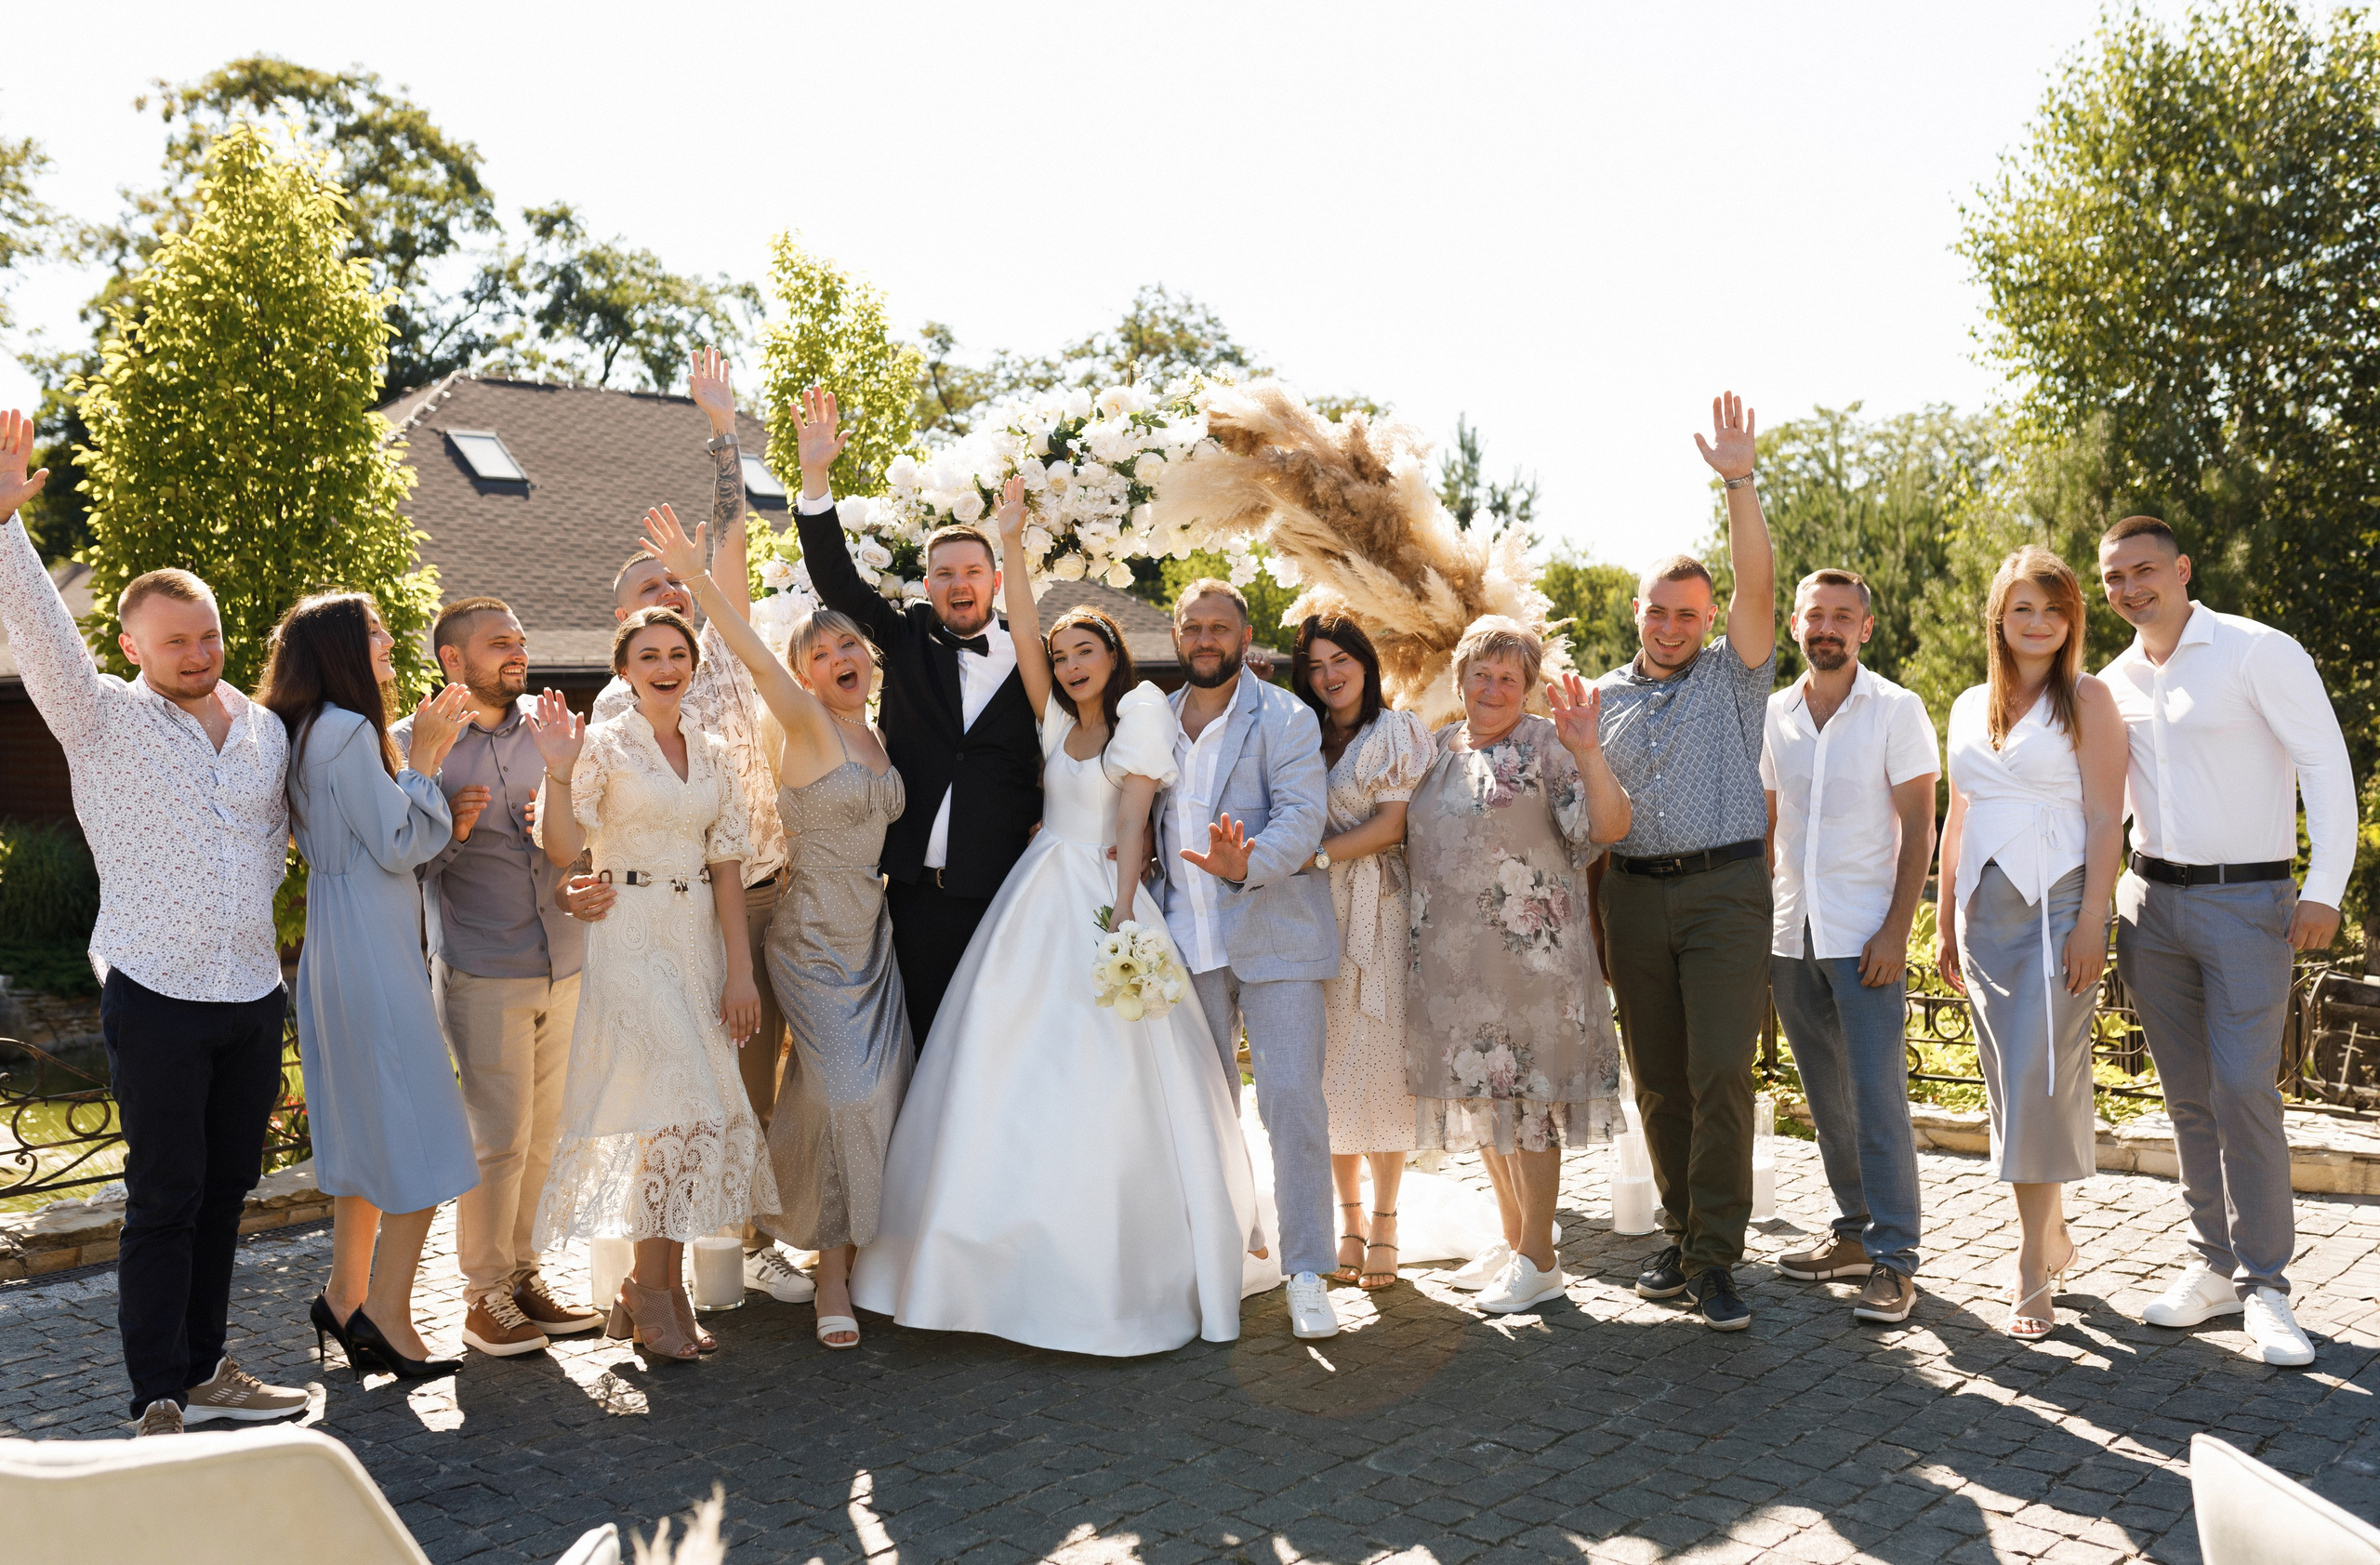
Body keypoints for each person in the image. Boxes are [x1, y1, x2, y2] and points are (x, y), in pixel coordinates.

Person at [849, 485, 1266, 1355]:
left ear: (1114, 656)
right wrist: (1010, 542)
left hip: (1105, 896)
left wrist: (1123, 919)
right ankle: (974, 1259)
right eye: (1062, 654)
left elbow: (1132, 822)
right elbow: (1025, 628)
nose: (1071, 665)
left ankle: (1111, 1266)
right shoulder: (1049, 720)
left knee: (1110, 1076)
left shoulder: (1139, 717)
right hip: (1033, 897)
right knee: (996, 1065)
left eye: (1087, 651)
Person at [0, 411, 306, 1434]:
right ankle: (158, 1394)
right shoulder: (99, 719)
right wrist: (5, 525)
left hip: (252, 996)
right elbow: (43, 635)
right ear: (133, 646)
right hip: (156, 993)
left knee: (227, 1193)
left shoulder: (264, 730)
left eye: (208, 634)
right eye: (176, 641)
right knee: (165, 1195)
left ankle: (208, 1367)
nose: (198, 652)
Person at [639, 503, 911, 1352]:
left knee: (876, 1095)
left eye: (848, 645)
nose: (839, 658)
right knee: (843, 1093)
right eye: (819, 653)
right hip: (811, 940)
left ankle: (846, 1252)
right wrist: (697, 580)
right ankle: (824, 1269)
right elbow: (753, 657)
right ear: (804, 675)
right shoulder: (806, 722)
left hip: (874, 938)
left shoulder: (880, 733)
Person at [2098, 515, 2353, 1366]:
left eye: (2143, 570)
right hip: (2149, 906)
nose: (2129, 588)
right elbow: (2107, 804)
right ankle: (2211, 1265)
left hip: (2250, 901)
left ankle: (2267, 1285)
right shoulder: (2114, 681)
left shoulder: (2257, 651)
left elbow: (2326, 766)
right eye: (2113, 577)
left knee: (2244, 1088)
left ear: (2182, 569)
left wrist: (2323, 887)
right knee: (2188, 1097)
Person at [588, 350, 803, 1299]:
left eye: (676, 585)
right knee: (708, 1086)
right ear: (621, 624)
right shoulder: (614, 708)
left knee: (774, 1074)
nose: (670, 594)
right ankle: (723, 1249)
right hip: (686, 912)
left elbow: (731, 538)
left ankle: (751, 1231)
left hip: (772, 887)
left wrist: (724, 432)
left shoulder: (720, 652)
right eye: (650, 589)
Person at [526, 608, 779, 1363]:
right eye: (649, 655)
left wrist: (740, 969)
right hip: (629, 935)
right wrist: (559, 768)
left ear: (693, 665)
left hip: (697, 938)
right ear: (624, 669)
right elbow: (562, 847)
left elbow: (728, 865)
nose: (666, 666)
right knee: (678, 1115)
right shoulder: (601, 745)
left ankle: (654, 1291)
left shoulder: (714, 751)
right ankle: (653, 1291)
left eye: (677, 653)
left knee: (686, 1121)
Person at [258, 593, 480, 1381]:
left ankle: (344, 1297)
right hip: (373, 950)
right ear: (343, 649)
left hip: (335, 940)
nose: (389, 641)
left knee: (365, 1136)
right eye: (374, 631)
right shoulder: (348, 730)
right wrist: (426, 763)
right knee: (425, 1136)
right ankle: (386, 1313)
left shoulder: (310, 729)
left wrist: (416, 750)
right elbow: (398, 839)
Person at [1593, 391, 1778, 1332]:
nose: (1671, 627)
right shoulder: (1596, 699)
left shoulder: (1733, 678)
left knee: (1720, 1075)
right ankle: (1680, 1230)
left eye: (1688, 615)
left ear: (1708, 620)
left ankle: (1715, 1259)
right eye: (1658, 611)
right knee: (1658, 1078)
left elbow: (1758, 586)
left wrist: (1738, 483)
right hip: (1631, 897)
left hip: (1723, 892)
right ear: (1638, 611)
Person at [787, 387, 1043, 1042]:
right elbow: (837, 580)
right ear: (927, 586)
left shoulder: (1036, 658)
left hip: (1002, 891)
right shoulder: (906, 637)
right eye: (945, 574)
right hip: (911, 895)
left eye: (973, 571)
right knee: (922, 1047)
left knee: (994, 1047)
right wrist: (815, 478)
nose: (960, 584)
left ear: (995, 581)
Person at [394, 597, 606, 1358]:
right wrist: (450, 828)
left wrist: (566, 822)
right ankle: (482, 1296)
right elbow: (404, 865)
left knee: (543, 1137)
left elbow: (579, 845)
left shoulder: (551, 730)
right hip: (482, 969)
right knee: (498, 1141)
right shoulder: (414, 742)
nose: (517, 651)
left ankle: (523, 1276)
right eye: (498, 642)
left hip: (564, 961)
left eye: (519, 638)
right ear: (452, 659)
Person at [1406, 617, 1632, 1315]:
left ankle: (1540, 1261)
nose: (1494, 688)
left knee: (1530, 1107)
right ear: (1459, 679)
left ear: (1528, 687)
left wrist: (1589, 753)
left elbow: (1609, 828)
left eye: (1510, 677)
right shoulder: (1439, 748)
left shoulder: (1548, 745)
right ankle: (1513, 1241)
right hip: (1456, 969)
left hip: (1532, 967)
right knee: (1485, 1102)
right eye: (1482, 673)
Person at [1935, 546, 2125, 1340]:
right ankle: (2050, 1228)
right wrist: (1943, 915)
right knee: (2011, 1082)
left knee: (2039, 1074)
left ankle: (2028, 1259)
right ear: (1999, 618)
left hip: (2061, 904)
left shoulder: (2091, 699)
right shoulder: (1967, 704)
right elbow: (1958, 812)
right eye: (2023, 607)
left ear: (2071, 618)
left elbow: (2106, 818)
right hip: (1985, 915)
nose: (2038, 621)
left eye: (2053, 608)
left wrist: (2091, 922)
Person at [1148, 579, 1344, 1341]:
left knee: (1291, 1100)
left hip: (1278, 934)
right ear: (1176, 635)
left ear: (1245, 635)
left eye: (1219, 627)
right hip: (1182, 942)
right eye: (1192, 626)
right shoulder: (1152, 720)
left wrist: (1246, 863)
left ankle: (1307, 1272)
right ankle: (1222, 1254)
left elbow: (1303, 816)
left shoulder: (1287, 716)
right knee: (1204, 1112)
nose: (1205, 638)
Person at [1760, 569, 1938, 1326]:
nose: (1827, 627)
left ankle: (1896, 1258)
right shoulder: (1774, 713)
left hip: (1865, 935)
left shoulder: (1896, 709)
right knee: (1826, 1100)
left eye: (1842, 616)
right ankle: (1854, 1235)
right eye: (1815, 615)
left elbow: (1920, 827)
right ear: (1795, 625)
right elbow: (1769, 825)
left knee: (1876, 1097)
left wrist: (1896, 929)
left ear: (1865, 628)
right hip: (1790, 932)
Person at [1289, 615, 1434, 1291]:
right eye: (1316, 666)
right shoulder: (1302, 735)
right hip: (1316, 915)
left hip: (1380, 908)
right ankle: (1345, 1221)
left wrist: (1313, 856)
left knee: (1382, 1067)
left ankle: (1385, 1220)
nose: (1329, 676)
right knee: (1329, 1070)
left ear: (1365, 663)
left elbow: (1391, 826)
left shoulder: (1394, 732)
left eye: (1340, 660)